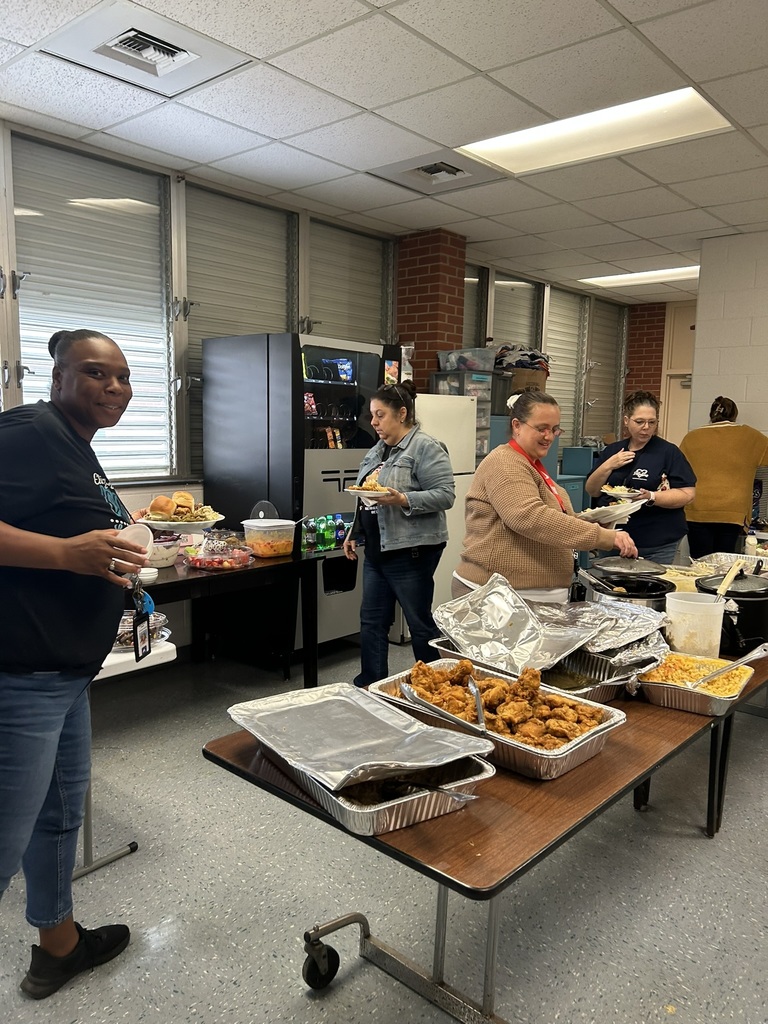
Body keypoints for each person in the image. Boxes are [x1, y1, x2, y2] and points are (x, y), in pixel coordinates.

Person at [0, 328, 149, 999]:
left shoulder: (76, 448)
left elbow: (83, 516)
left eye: (121, 377)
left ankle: (58, 947)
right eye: (95, 374)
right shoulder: (31, 429)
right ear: (56, 375)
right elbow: (66, 545)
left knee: (60, 815)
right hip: (18, 679)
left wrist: (125, 528)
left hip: (64, 675)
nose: (113, 388)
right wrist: (67, 555)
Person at [453, 389, 638, 602]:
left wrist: (587, 522)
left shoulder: (531, 464)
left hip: (521, 595)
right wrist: (602, 537)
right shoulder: (505, 463)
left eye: (554, 429)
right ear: (517, 426)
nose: (549, 436)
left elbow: (549, 516)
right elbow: (529, 517)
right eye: (541, 428)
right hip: (498, 594)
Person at [343, 380, 454, 686]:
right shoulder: (378, 450)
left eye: (380, 415)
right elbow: (365, 496)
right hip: (378, 551)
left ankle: (432, 688)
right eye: (372, 415)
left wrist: (403, 498)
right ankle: (371, 684)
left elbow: (446, 495)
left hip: (412, 550)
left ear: (402, 413)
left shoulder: (425, 447)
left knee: (419, 623)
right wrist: (354, 532)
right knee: (372, 621)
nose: (373, 422)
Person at [585, 390, 696, 564]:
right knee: (614, 589)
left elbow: (687, 494)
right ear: (626, 421)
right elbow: (592, 490)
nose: (646, 428)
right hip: (615, 540)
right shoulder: (613, 450)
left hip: (657, 543)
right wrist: (608, 465)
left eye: (651, 422)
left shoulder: (668, 452)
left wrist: (651, 497)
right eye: (640, 422)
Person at [679, 396, 768, 559]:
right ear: (734, 415)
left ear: (711, 414)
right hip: (732, 511)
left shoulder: (691, 437)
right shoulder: (751, 436)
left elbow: (679, 471)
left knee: (699, 561)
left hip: (697, 509)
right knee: (725, 561)